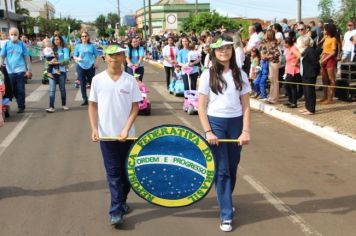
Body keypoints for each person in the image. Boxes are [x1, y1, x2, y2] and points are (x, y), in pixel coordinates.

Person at [197, 34, 251, 232]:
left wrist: (245, 130)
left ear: (232, 50)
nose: (224, 52)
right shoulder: (207, 74)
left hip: (235, 123)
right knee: (222, 170)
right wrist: (208, 130)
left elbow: (246, 106)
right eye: (220, 49)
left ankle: (225, 198)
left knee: (232, 167)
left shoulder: (241, 74)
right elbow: (201, 106)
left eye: (227, 48)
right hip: (216, 124)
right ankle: (226, 214)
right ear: (213, 52)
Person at [88, 44, 142, 226]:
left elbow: (135, 107)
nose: (114, 58)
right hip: (107, 137)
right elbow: (93, 105)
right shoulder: (97, 80)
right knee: (114, 174)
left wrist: (126, 128)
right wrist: (94, 128)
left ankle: (122, 201)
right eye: (110, 55)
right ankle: (116, 210)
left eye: (118, 55)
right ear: (105, 58)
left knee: (127, 175)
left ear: (123, 57)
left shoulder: (130, 80)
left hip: (128, 137)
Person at [0, 27, 32, 113]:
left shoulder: (22, 45)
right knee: (13, 90)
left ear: (18, 35)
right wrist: (1, 64)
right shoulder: (7, 44)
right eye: (12, 34)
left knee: (20, 89)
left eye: (15, 34)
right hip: (10, 71)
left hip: (20, 70)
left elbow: (27, 58)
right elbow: (2, 56)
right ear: (9, 35)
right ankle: (18, 100)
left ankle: (21, 106)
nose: (13, 36)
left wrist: (28, 70)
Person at [74, 30, 99, 106]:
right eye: (82, 36)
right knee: (82, 83)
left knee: (92, 83)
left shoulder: (91, 46)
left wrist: (96, 63)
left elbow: (97, 56)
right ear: (80, 38)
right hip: (81, 66)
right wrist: (77, 59)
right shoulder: (78, 46)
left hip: (90, 66)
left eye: (85, 36)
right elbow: (75, 56)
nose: (84, 37)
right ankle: (85, 99)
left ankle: (93, 99)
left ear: (88, 37)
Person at [45, 35, 70, 113]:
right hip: (52, 73)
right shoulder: (50, 49)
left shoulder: (64, 49)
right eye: (54, 39)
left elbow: (66, 60)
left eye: (57, 39)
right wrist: (50, 62)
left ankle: (64, 104)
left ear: (60, 40)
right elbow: (46, 60)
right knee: (52, 90)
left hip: (61, 72)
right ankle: (51, 107)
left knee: (62, 89)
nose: (56, 41)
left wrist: (56, 62)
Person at [299, 36, 320, 115]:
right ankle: (307, 107)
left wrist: (314, 72)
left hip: (310, 75)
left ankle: (311, 109)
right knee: (306, 92)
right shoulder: (306, 50)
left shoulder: (311, 51)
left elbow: (315, 63)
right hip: (304, 74)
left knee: (310, 92)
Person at [320, 23, 337, 104]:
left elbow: (333, 52)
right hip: (324, 58)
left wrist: (325, 58)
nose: (324, 31)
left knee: (331, 79)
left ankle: (330, 98)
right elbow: (324, 49)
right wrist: (321, 56)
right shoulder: (326, 37)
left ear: (329, 30)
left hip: (330, 59)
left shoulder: (333, 39)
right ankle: (325, 96)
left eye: (325, 29)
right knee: (324, 79)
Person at [284, 37, 301, 108]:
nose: (284, 44)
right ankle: (290, 100)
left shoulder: (293, 48)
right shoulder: (288, 49)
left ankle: (294, 102)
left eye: (285, 43)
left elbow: (299, 56)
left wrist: (295, 63)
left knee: (292, 86)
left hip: (293, 70)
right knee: (286, 86)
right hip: (288, 70)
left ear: (288, 43)